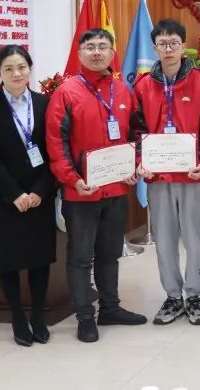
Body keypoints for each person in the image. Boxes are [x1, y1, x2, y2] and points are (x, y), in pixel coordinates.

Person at [46, 28, 148, 343]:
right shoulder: (66, 93)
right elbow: (56, 143)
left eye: (103, 46)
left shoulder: (123, 90)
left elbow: (136, 133)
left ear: (112, 53)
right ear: (80, 53)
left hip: (116, 190)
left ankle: (110, 308)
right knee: (80, 257)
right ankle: (85, 316)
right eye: (90, 47)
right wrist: (73, 179)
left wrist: (134, 166)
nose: (97, 52)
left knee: (109, 254)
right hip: (81, 192)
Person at [132, 19, 200, 326]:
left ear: (183, 46)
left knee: (195, 239)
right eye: (162, 44)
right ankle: (172, 296)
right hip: (158, 177)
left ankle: (193, 295)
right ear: (154, 48)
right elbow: (136, 130)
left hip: (192, 174)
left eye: (174, 43)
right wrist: (140, 160)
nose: (168, 49)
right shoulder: (143, 86)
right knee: (165, 240)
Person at [0, 44, 56, 346]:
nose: (16, 73)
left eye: (21, 67)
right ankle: (18, 318)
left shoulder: (45, 103)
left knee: (39, 259)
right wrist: (15, 193)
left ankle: (38, 316)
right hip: (5, 199)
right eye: (8, 69)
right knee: (7, 260)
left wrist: (39, 191)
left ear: (29, 68)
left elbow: (53, 151)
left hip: (39, 196)